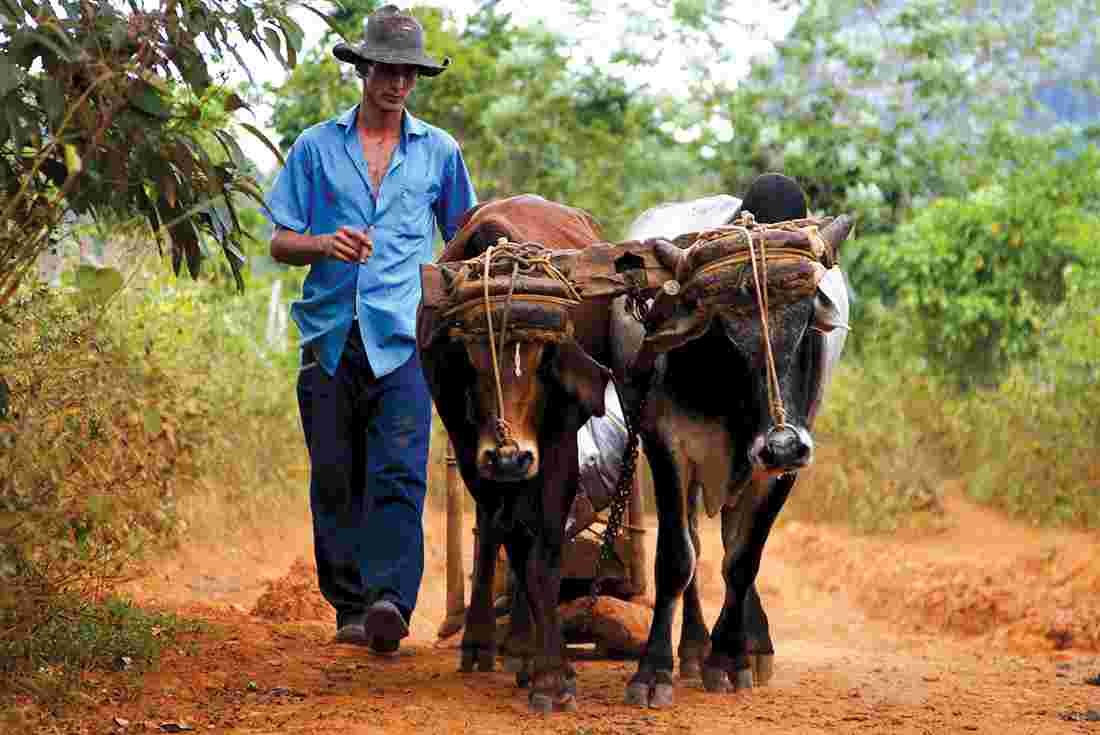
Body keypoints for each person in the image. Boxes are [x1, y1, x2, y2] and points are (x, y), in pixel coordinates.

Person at [263, 4, 477, 656]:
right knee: (335, 474)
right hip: (329, 334)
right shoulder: (315, 147)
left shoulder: (439, 151)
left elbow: (464, 238)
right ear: (364, 69)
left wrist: (452, 300)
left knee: (399, 471)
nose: (399, 84)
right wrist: (324, 244)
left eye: (410, 74)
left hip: (404, 336)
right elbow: (279, 241)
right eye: (388, 70)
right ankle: (349, 604)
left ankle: (389, 599)